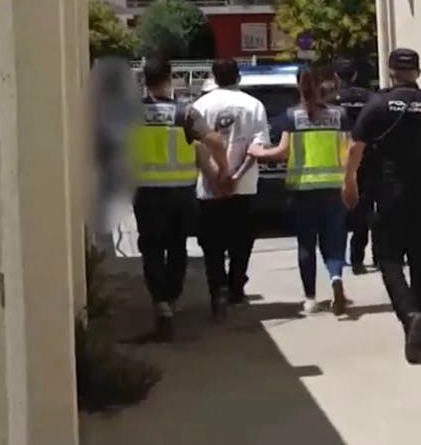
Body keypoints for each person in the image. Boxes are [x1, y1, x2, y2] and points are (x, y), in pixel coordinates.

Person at [342, 48, 421, 363]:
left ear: (390, 72)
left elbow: (355, 148)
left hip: (389, 192)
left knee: (387, 257)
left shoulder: (378, 104)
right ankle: (418, 330)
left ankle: (410, 316)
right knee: (420, 260)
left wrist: (349, 183)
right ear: (418, 72)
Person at [132, 56, 230, 339]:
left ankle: (161, 304)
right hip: (180, 194)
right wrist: (223, 170)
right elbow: (214, 141)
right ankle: (172, 298)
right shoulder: (185, 113)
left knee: (151, 249)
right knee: (177, 248)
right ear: (170, 77)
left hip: (146, 193)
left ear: (145, 80)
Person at [249, 67, 350, 316]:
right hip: (333, 187)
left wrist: (258, 152)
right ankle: (336, 278)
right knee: (333, 240)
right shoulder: (339, 115)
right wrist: (350, 181)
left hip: (303, 189)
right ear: (322, 85)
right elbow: (348, 152)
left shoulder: (291, 116)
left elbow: (281, 152)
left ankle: (310, 298)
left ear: (299, 86)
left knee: (307, 243)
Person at [191, 58, 269, 317]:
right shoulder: (254, 105)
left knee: (212, 245)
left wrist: (215, 177)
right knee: (241, 242)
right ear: (239, 76)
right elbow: (257, 147)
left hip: (209, 188)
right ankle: (236, 288)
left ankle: (218, 290)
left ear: (214, 78)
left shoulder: (200, 106)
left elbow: (197, 149)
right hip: (243, 187)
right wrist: (235, 176)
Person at [331, 57, 376, 274]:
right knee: (365, 209)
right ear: (356, 75)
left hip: (338, 159)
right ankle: (360, 258)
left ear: (336, 76)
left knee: (338, 211)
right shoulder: (371, 98)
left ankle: (338, 257)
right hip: (367, 158)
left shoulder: (330, 101)